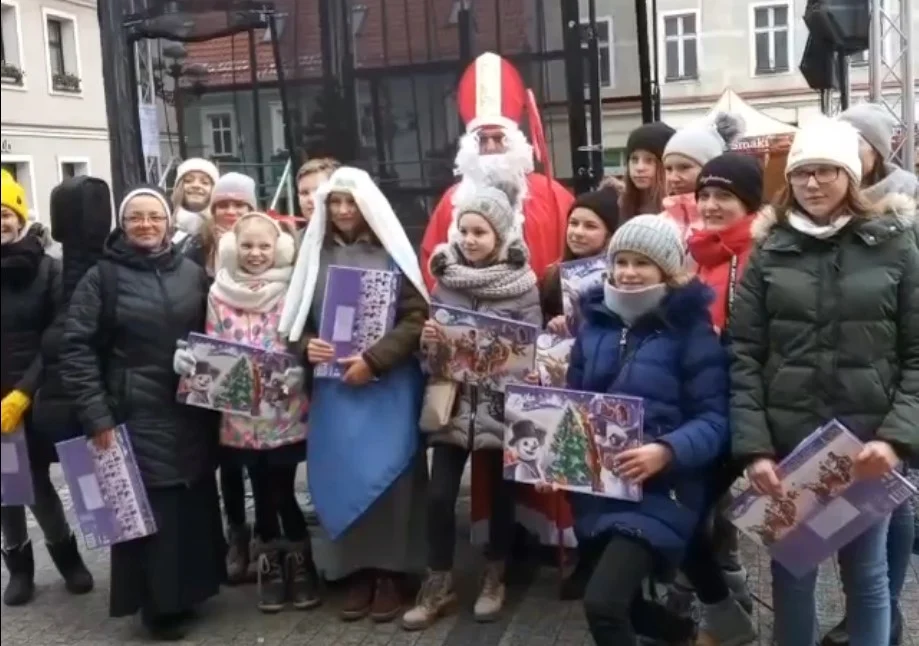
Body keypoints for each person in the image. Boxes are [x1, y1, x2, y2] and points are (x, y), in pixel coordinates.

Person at [730, 116, 918, 646]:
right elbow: (744, 353)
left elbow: (916, 352)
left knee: (867, 576)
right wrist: (755, 449)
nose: (812, 184)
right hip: (789, 452)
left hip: (866, 448)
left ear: (851, 176)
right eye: (802, 173)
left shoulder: (896, 244)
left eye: (826, 171)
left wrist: (895, 439)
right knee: (791, 574)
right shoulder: (770, 249)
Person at [60, 186, 224, 641]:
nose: (146, 225)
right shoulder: (102, 278)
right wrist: (97, 416)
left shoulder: (191, 273)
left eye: (155, 216)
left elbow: (214, 331)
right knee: (151, 509)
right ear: (123, 224)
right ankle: (158, 606)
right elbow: (76, 350)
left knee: (191, 498)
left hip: (189, 407)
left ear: (169, 222)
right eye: (136, 217)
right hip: (133, 410)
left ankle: (193, 591)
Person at [565, 215, 730, 645]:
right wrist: (551, 460)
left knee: (603, 605)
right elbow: (573, 405)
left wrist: (667, 450)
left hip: (663, 489)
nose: (628, 272)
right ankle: (693, 638)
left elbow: (715, 420)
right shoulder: (593, 323)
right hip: (600, 486)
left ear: (667, 270)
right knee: (628, 608)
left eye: (642, 263)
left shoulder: (691, 331)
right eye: (621, 261)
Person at [279, 166, 429, 624]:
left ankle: (392, 573)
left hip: (388, 385)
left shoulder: (392, 251)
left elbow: (417, 317)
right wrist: (307, 345)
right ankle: (356, 570)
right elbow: (293, 322)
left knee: (393, 480)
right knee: (342, 475)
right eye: (335, 202)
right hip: (335, 389)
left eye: (351, 202)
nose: (343, 210)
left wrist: (375, 360)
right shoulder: (313, 254)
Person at [402, 186, 542, 629]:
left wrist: (515, 360)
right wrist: (429, 343)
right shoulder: (445, 280)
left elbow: (532, 347)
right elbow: (432, 355)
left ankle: (495, 575)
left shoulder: (523, 285)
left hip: (501, 405)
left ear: (499, 234)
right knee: (440, 496)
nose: (469, 239)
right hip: (453, 402)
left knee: (500, 495)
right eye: (463, 230)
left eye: (480, 231)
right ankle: (438, 580)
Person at [173, 211, 319, 613]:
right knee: (260, 488)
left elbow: (303, 337)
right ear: (233, 248)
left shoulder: (292, 289)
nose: (256, 253)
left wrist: (300, 368)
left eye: (264, 245)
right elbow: (212, 341)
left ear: (280, 248)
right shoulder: (218, 292)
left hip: (284, 409)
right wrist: (194, 363)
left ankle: (301, 561)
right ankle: (270, 563)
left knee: (283, 488)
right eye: (248, 245)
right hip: (238, 417)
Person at [819, 104, 919, 646]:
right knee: (869, 508)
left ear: (876, 151)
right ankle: (873, 613)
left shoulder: (906, 208)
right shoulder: (826, 208)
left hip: (894, 379)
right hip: (850, 381)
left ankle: (886, 612)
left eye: (853, 141)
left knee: (894, 501)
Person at [0, 170, 94, 606]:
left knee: (36, 481)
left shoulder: (49, 269)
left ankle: (67, 558)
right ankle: (19, 568)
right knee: (5, 486)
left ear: (20, 216)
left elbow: (56, 336)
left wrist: (23, 392)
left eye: (5, 213)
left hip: (37, 396)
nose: (0, 222)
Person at [420, 51, 573, 289]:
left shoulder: (551, 195)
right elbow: (432, 265)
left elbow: (575, 253)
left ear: (514, 142)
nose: (491, 148)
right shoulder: (451, 201)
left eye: (499, 138)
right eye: (483, 139)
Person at [541, 187, 621, 337]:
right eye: (573, 223)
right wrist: (553, 326)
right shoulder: (552, 274)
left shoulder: (620, 278)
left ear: (609, 234)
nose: (577, 232)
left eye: (590, 226)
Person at [660, 113, 745, 240]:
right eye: (668, 169)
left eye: (684, 167)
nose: (673, 178)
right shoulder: (658, 224)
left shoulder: (728, 221)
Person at [617, 122, 675, 222]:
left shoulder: (680, 210)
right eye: (634, 159)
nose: (639, 168)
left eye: (649, 160)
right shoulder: (618, 205)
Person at [171, 158, 219, 237]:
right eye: (188, 180)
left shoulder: (221, 228)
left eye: (205, 182)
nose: (196, 185)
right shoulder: (164, 223)